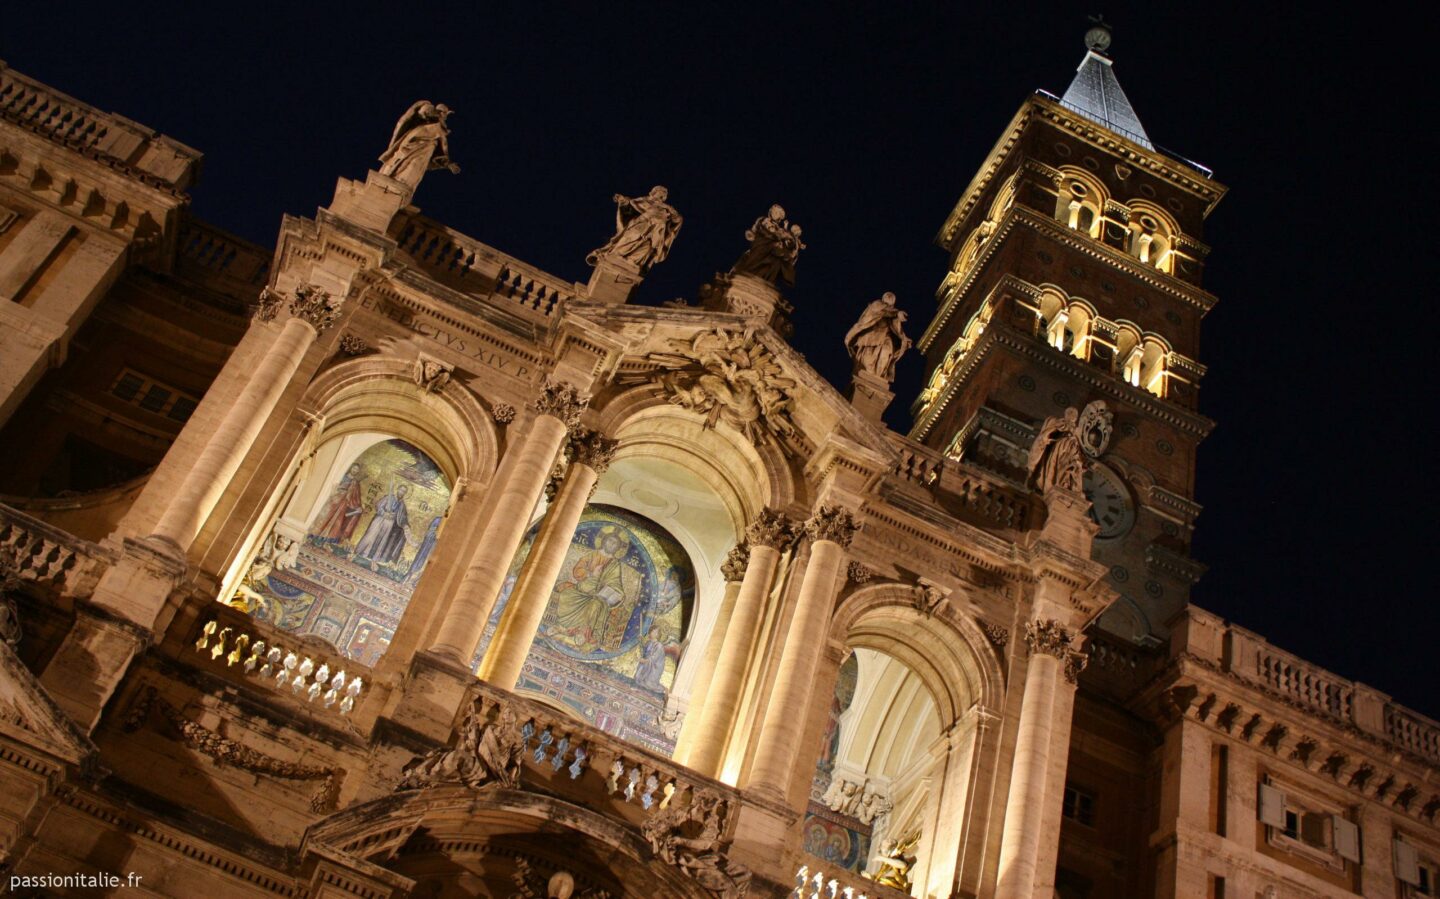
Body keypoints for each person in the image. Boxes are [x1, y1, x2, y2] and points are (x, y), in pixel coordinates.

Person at [546, 528, 641, 651]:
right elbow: (577, 570)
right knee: (567, 593)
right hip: (582, 590)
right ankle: (563, 627)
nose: (611, 545)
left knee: (595, 604)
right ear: (604, 541)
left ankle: (582, 633)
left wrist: (619, 594)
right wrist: (591, 574)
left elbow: (615, 583)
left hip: (599, 596)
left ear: (618, 548)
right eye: (610, 541)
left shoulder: (614, 564)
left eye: (615, 544)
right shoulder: (592, 555)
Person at [586, 186, 683, 273]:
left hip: (655, 231)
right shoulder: (644, 200)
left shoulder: (666, 209)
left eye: (664, 195)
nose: (662, 197)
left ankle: (632, 261)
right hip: (641, 223)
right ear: (654, 192)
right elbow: (631, 204)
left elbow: (677, 220)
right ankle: (615, 254)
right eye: (661, 193)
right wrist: (623, 200)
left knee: (648, 246)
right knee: (631, 237)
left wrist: (673, 213)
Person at [379, 101, 460, 190]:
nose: (445, 116)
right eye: (444, 113)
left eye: (446, 114)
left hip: (425, 153)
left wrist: (448, 164)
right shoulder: (427, 118)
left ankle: (401, 187)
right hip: (411, 145)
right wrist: (434, 113)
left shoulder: (441, 130)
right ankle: (390, 180)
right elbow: (422, 112)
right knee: (399, 164)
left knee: (414, 169)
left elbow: (440, 152)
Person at [844, 291, 913, 381]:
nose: (890, 298)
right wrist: (896, 313)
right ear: (883, 298)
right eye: (888, 296)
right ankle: (866, 377)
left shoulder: (893, 313)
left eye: (892, 297)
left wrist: (904, 339)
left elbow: (898, 330)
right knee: (867, 360)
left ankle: (878, 378)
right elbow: (882, 311)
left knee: (886, 353)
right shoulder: (877, 304)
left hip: (886, 338)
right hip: (871, 336)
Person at [353, 483, 411, 569]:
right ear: (397, 489)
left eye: (404, 492)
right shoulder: (389, 497)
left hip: (390, 524)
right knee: (371, 536)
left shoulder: (402, 505)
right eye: (401, 490)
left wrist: (405, 525)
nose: (402, 492)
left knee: (382, 541)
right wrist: (384, 513)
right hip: (380, 520)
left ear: (405, 494)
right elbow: (378, 505)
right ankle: (360, 553)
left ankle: (374, 558)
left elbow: (403, 517)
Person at [312, 463, 364, 546]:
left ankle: (327, 539)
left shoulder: (355, 483)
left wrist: (357, 507)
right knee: (325, 516)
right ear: (351, 468)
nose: (355, 470)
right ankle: (315, 534)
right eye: (354, 468)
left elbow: (355, 497)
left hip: (343, 503)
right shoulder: (342, 476)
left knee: (337, 520)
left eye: (357, 470)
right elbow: (333, 485)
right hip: (334, 498)